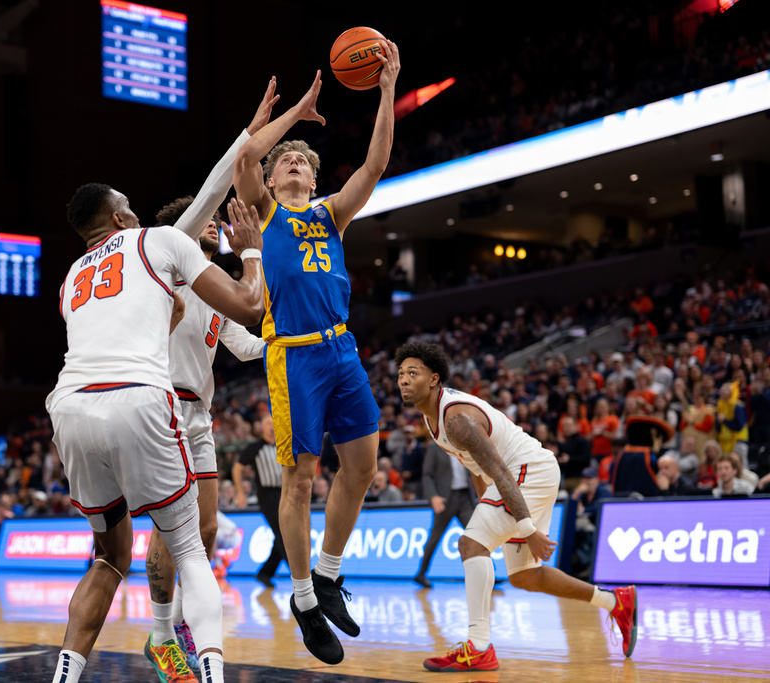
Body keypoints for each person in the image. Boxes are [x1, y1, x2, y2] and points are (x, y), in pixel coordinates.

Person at [44, 182, 266, 683]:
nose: (209, 222)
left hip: (174, 411)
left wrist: (298, 345)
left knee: (200, 533)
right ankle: (166, 633)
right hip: (148, 400)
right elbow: (214, 188)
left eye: (212, 219)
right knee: (181, 540)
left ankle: (136, 645)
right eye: (201, 217)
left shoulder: (208, 284)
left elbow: (248, 341)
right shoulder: (159, 257)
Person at [232, 41, 401, 665]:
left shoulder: (331, 217)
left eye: (306, 161)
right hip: (294, 356)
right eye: (291, 162)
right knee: (301, 479)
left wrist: (386, 89)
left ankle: (328, 576)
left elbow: (375, 164)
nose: (299, 164)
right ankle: (302, 598)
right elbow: (247, 151)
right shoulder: (266, 211)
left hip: (343, 351)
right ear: (275, 181)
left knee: (362, 467)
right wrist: (298, 112)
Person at [395, 341, 637, 672]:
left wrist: (526, 530)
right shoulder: (432, 419)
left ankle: (478, 647)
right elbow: (477, 468)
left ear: (434, 379)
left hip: (527, 472)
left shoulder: (456, 418)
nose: (404, 380)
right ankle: (615, 601)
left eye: (413, 372)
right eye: (400, 374)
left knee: (470, 544)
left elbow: (501, 472)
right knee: (525, 576)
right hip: (526, 474)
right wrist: (489, 511)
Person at [143, 81, 275, 675]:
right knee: (171, 530)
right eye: (207, 233)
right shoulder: (165, 274)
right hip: (158, 405)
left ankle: (183, 628)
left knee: (208, 524)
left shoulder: (215, 292)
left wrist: (291, 336)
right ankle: (162, 633)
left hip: (200, 414)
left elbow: (248, 345)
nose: (216, 236)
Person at [413, 440, 476, 589]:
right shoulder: (435, 447)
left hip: (465, 497)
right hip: (444, 499)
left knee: (477, 535)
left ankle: (489, 575)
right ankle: (421, 574)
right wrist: (433, 496)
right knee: (435, 537)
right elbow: (427, 475)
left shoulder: (464, 444)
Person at [233, 414, 286, 588]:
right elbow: (237, 468)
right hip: (267, 495)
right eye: (268, 423)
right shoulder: (255, 448)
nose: (271, 426)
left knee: (281, 535)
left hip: (285, 493)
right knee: (283, 533)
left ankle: (265, 573)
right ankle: (300, 576)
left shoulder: (283, 445)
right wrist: (240, 492)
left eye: (273, 422)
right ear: (262, 427)